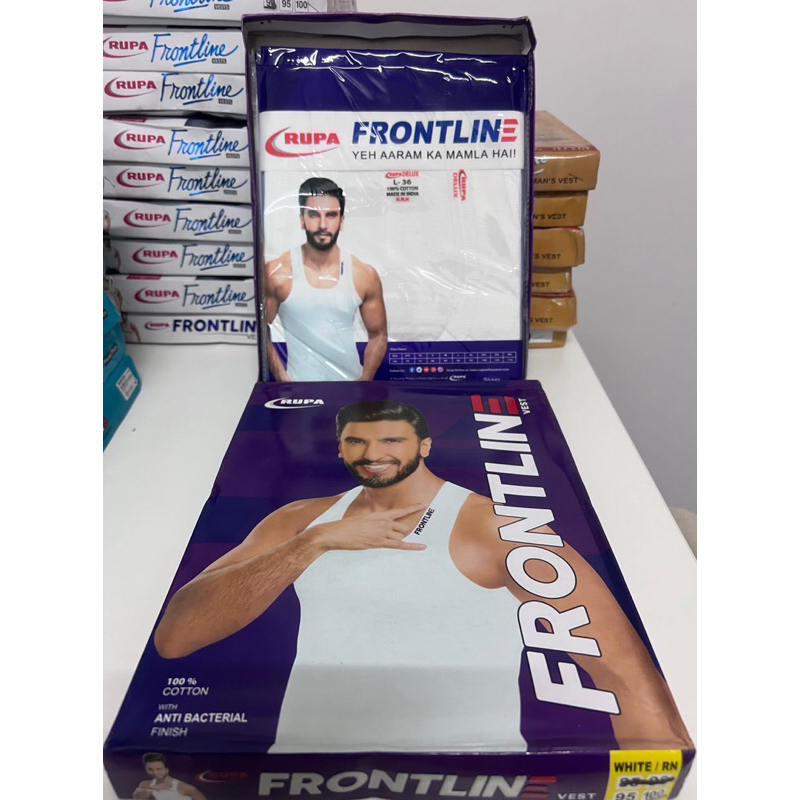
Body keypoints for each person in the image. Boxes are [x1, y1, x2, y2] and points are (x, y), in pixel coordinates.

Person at [154, 402, 690, 752]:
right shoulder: (300, 520)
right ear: (340, 448)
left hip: (472, 775)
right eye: (358, 442)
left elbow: (625, 675)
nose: (374, 454)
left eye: (392, 441)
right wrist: (312, 544)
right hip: (309, 770)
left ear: (424, 446)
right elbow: (177, 637)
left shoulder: (494, 526)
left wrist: (649, 785)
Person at [263, 177, 387, 382]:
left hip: (351, 388)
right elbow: (260, 328)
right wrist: (282, 378)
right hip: (300, 390)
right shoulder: (278, 273)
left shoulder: (363, 274)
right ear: (302, 219)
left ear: (342, 221)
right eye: (313, 214)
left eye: (331, 215)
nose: (322, 224)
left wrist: (365, 380)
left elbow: (378, 334)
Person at [133, 753, 207, 800]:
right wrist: (152, 789)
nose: (155, 772)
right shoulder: (145, 785)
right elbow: (137, 797)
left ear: (166, 769)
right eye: (150, 769)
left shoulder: (185, 788)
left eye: (159, 769)